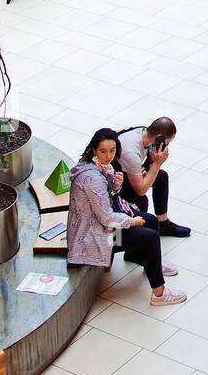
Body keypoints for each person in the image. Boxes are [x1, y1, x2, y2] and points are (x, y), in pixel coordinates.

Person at [67, 128, 186, 306]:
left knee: (152, 220)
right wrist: (132, 222)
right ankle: (159, 294)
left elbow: (105, 201)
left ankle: (143, 260)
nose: (108, 156)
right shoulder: (91, 178)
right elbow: (107, 218)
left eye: (112, 151)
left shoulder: (99, 166)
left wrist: (115, 186)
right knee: (150, 237)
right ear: (94, 150)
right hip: (95, 239)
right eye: (103, 151)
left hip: (100, 229)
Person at [113, 116, 191, 237]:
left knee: (161, 177)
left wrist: (151, 160)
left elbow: (145, 162)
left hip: (127, 171)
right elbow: (140, 190)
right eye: (167, 142)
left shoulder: (143, 132)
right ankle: (136, 237)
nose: (167, 146)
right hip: (114, 184)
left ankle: (163, 224)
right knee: (141, 200)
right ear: (159, 138)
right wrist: (157, 164)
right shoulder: (131, 151)